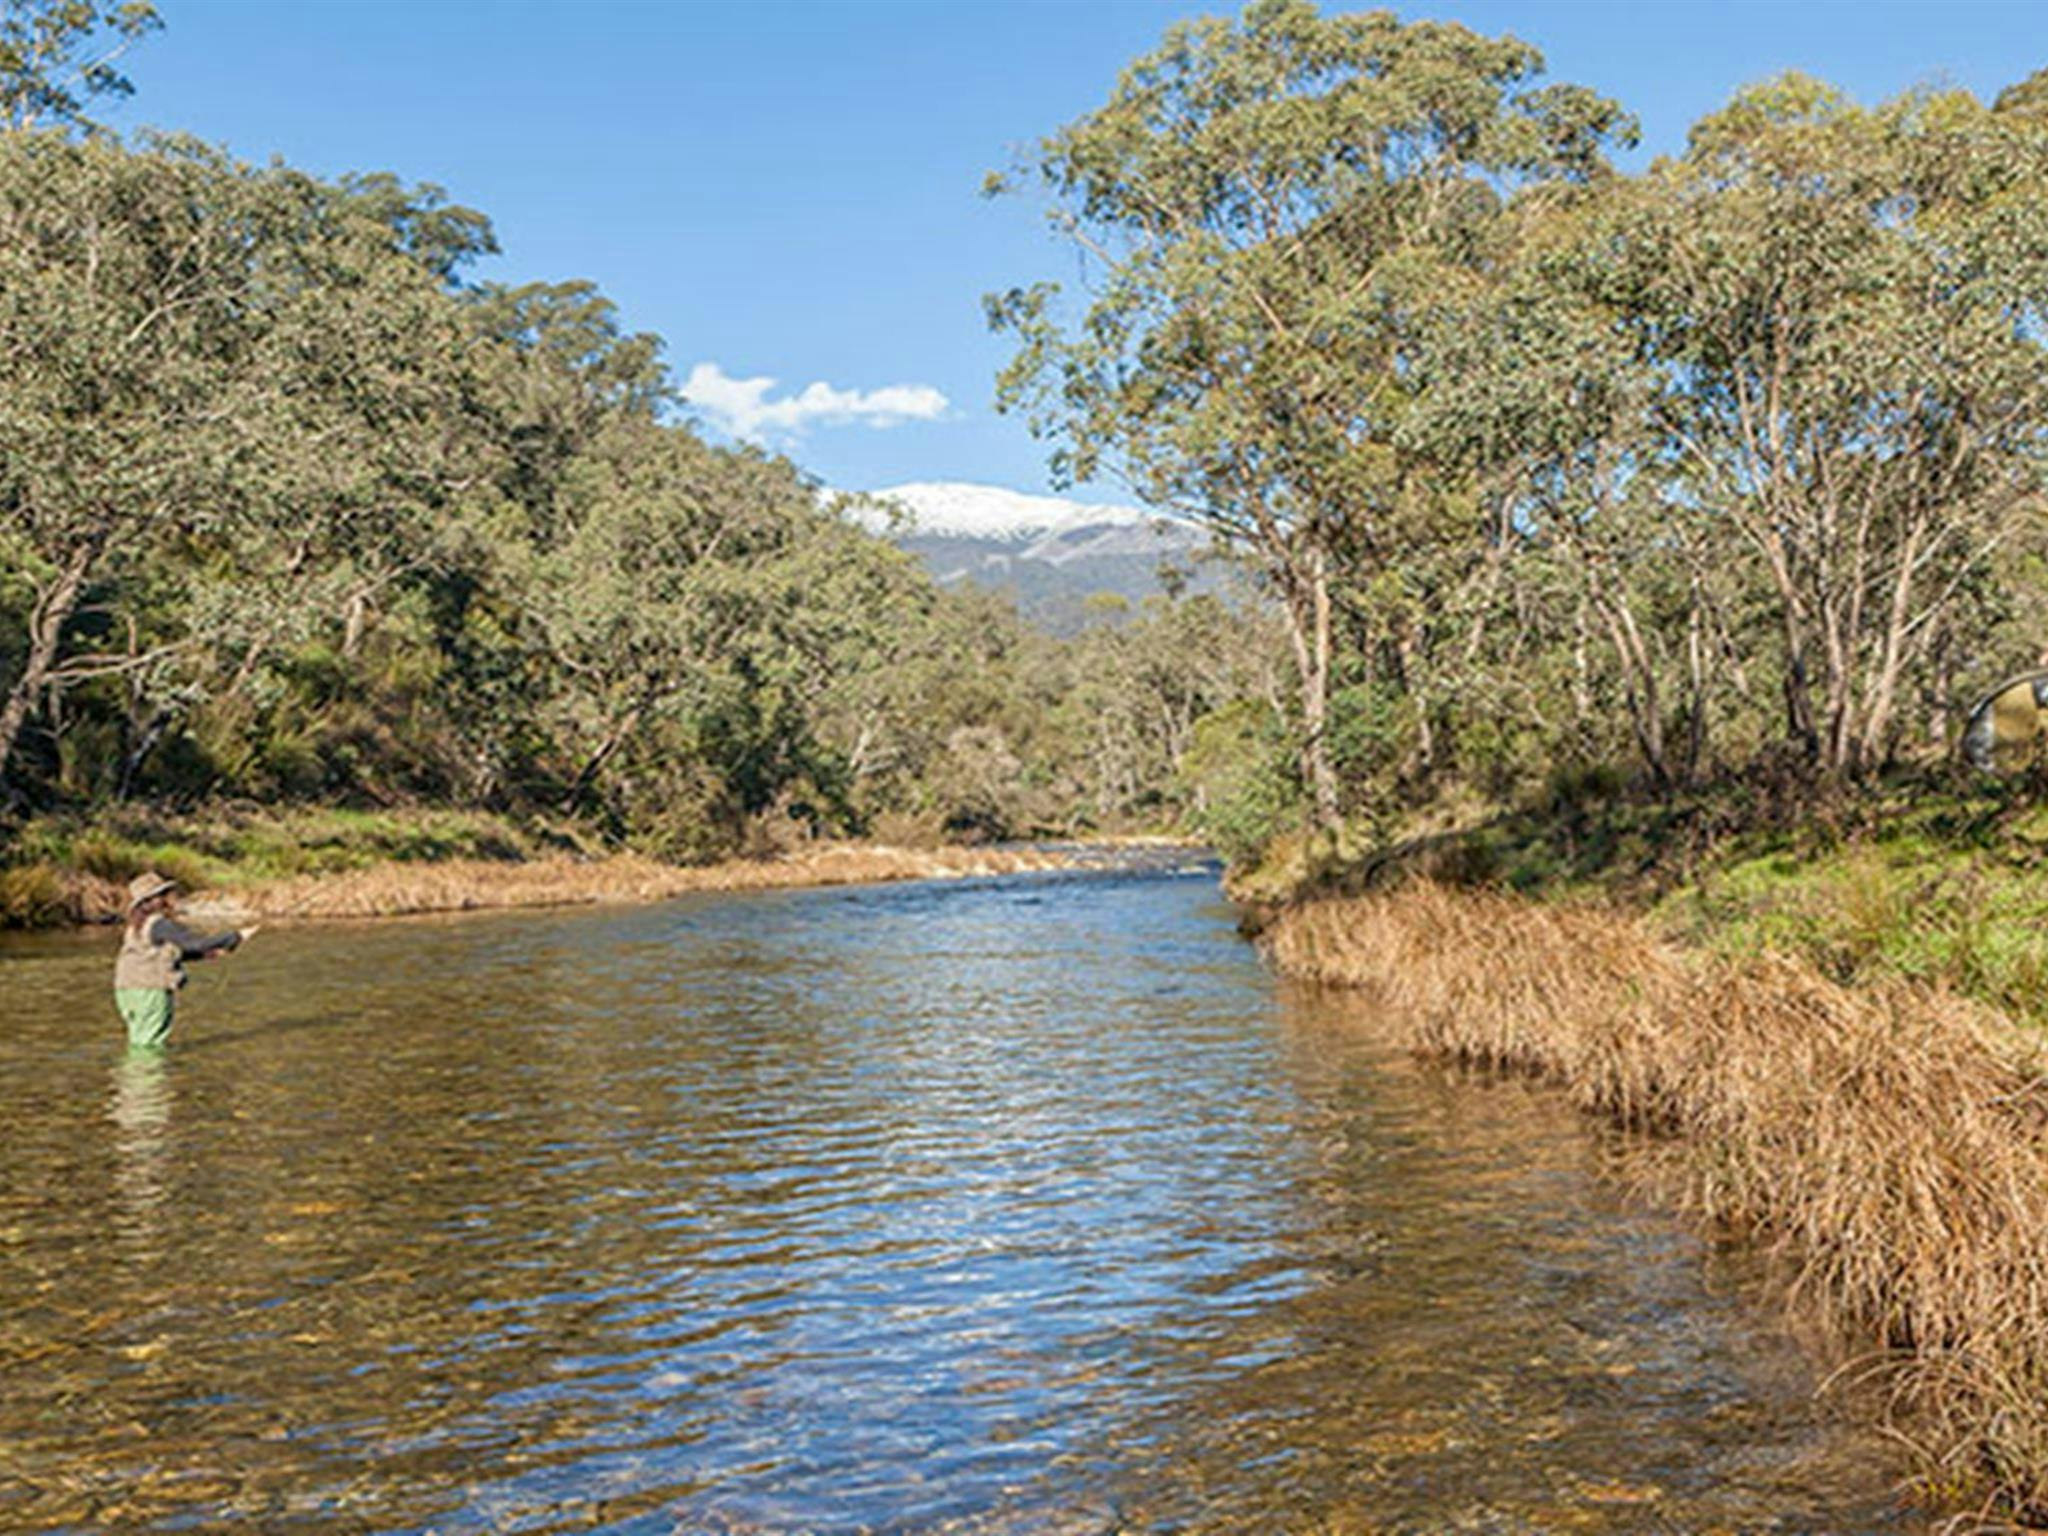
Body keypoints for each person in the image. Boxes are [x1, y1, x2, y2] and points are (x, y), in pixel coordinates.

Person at [113, 871, 256, 1049]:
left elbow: (161, 953)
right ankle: (149, 1075)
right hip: (149, 991)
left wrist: (205, 955)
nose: (170, 898)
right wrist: (235, 937)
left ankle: (132, 1075)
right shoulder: (159, 924)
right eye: (165, 894)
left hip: (126, 992)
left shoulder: (136, 926)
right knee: (151, 1044)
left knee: (139, 1042)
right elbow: (195, 943)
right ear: (154, 900)